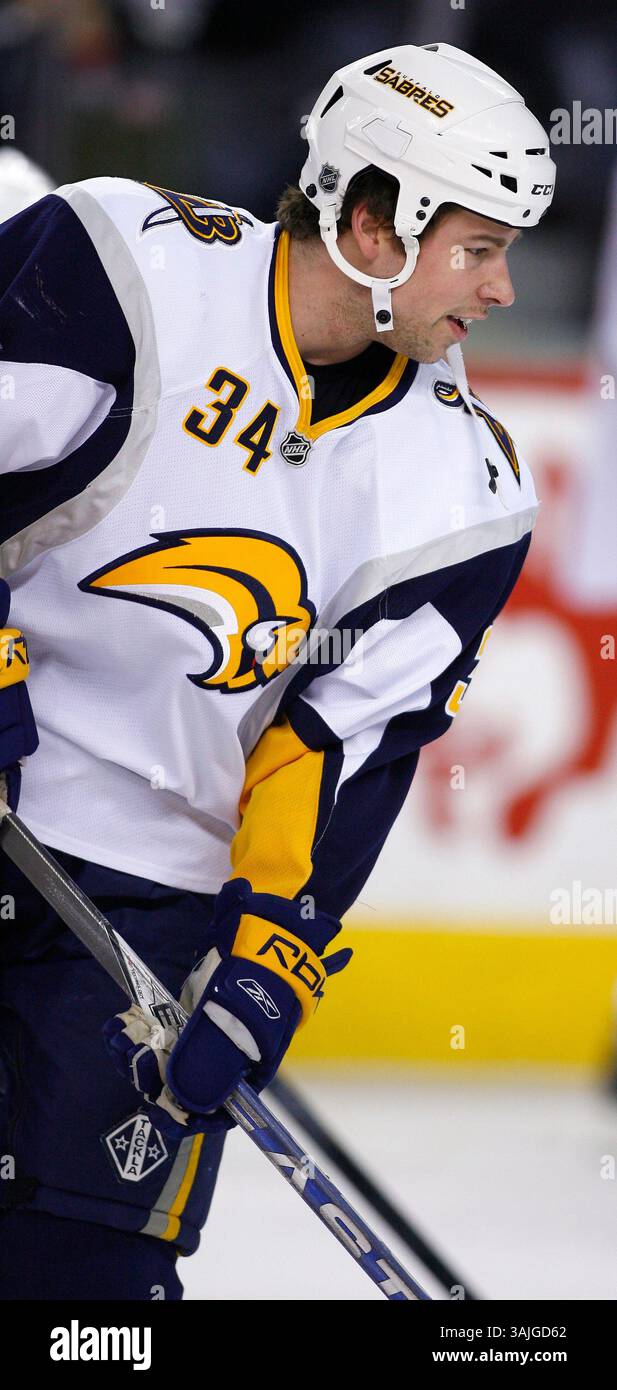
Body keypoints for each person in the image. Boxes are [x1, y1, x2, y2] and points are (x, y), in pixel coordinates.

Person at [0, 42, 555, 1299]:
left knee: (84, 1302)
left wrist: (265, 958)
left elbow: (333, 747)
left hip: (144, 908)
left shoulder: (463, 490)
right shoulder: (119, 263)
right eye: (477, 247)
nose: (503, 287)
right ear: (373, 223)